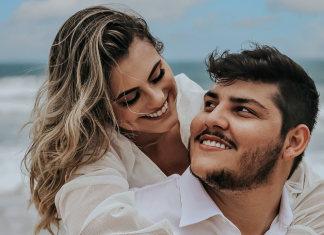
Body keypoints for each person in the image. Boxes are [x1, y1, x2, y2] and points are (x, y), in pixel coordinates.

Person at [22, 5, 323, 235]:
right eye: (130, 98)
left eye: (157, 75)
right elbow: (100, 226)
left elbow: (302, 184)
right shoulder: (90, 154)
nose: (157, 99)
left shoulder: (203, 108)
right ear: (97, 109)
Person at [131, 45, 324, 235]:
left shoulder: (312, 217)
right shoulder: (134, 221)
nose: (211, 118)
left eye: (243, 110)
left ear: (294, 142)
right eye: (209, 104)